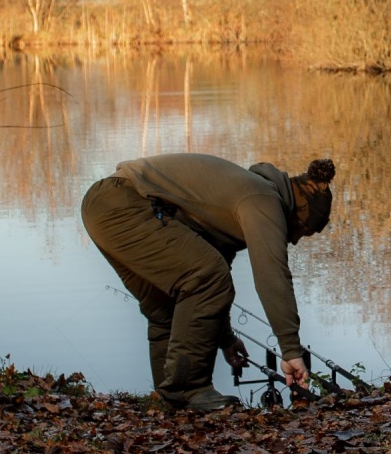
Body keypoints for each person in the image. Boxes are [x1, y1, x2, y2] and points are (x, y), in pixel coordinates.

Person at [81, 153, 335, 410]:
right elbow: (272, 274)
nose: (296, 239)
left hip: (103, 205)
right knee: (208, 276)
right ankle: (187, 389)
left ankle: (169, 402)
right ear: (301, 208)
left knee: (167, 307)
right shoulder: (262, 200)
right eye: (304, 229)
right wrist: (291, 351)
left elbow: (210, 281)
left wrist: (225, 338)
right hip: (124, 204)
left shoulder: (247, 193)